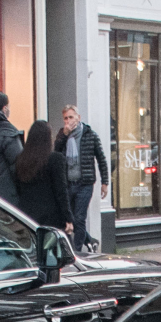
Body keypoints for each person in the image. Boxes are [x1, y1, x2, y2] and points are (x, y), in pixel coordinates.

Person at [55, 105, 109, 247]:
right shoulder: (62, 134)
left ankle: (78, 251)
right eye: (65, 118)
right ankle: (89, 241)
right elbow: (55, 154)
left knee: (79, 218)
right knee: (68, 219)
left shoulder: (90, 134)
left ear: (78, 118)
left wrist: (105, 182)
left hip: (84, 183)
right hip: (67, 183)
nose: (68, 121)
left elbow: (101, 159)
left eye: (71, 117)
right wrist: (64, 135)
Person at [10, 119, 72, 238]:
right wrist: (68, 217)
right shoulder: (55, 159)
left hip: (27, 215)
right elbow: (61, 190)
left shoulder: (21, 160)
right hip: (51, 218)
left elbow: (18, 187)